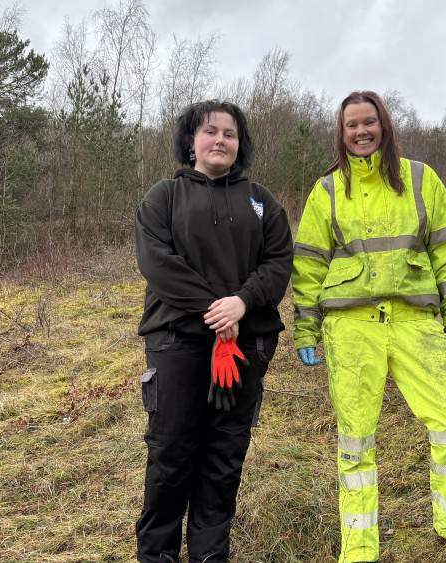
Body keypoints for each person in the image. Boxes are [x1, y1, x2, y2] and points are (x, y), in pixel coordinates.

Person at [291, 90, 446, 563]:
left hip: (416, 321)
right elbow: (310, 265)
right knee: (355, 441)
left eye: (369, 122)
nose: (361, 131)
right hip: (351, 327)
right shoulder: (328, 190)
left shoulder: (421, 179)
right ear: (341, 132)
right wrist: (306, 328)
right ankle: (358, 547)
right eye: (351, 124)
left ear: (385, 125)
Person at [133, 100, 293, 563]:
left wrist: (243, 301)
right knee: (171, 453)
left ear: (240, 144)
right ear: (191, 142)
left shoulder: (263, 202)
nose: (220, 140)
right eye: (209, 132)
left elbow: (279, 261)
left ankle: (209, 554)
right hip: (177, 342)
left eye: (229, 133)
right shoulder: (163, 197)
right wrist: (216, 310)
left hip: (246, 346)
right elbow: (157, 263)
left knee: (224, 457)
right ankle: (157, 554)